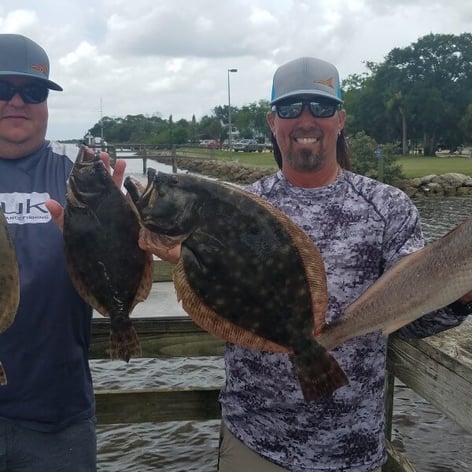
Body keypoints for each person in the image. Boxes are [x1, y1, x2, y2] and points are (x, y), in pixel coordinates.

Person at [142, 56, 471, 471]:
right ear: (272, 121)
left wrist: (462, 292)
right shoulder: (238, 206)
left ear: (341, 119)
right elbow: (216, 301)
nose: (305, 119)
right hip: (253, 439)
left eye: (320, 106)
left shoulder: (389, 206)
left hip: (353, 448)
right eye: (290, 108)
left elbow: (415, 319)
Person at [0, 33, 125, 471]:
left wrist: (123, 226)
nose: (16, 101)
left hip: (57, 418)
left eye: (31, 91)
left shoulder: (81, 175)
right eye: (2, 89)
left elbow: (121, 272)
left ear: (46, 102)